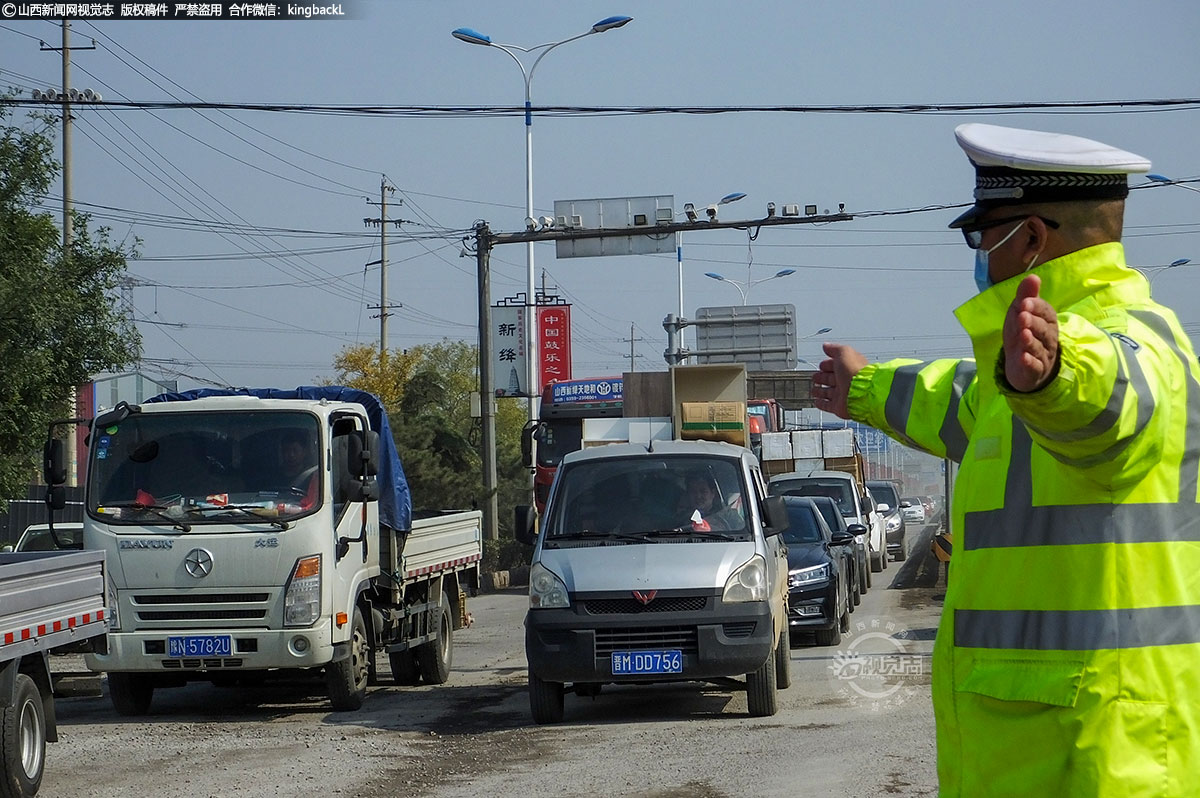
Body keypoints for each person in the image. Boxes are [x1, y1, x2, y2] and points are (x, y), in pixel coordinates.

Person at [811, 123, 1200, 797]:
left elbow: (1108, 400)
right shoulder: (1010, 377)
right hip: (1040, 737)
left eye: (980, 236)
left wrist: (1053, 377)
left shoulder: (1135, 345)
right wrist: (868, 388)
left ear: (1029, 238)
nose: (979, 257)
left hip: (1106, 752)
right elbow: (956, 396)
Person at [277, 429, 319, 507]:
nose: (291, 455)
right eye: (287, 450)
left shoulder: (313, 477)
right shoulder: (273, 476)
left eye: (295, 450)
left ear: (304, 452)